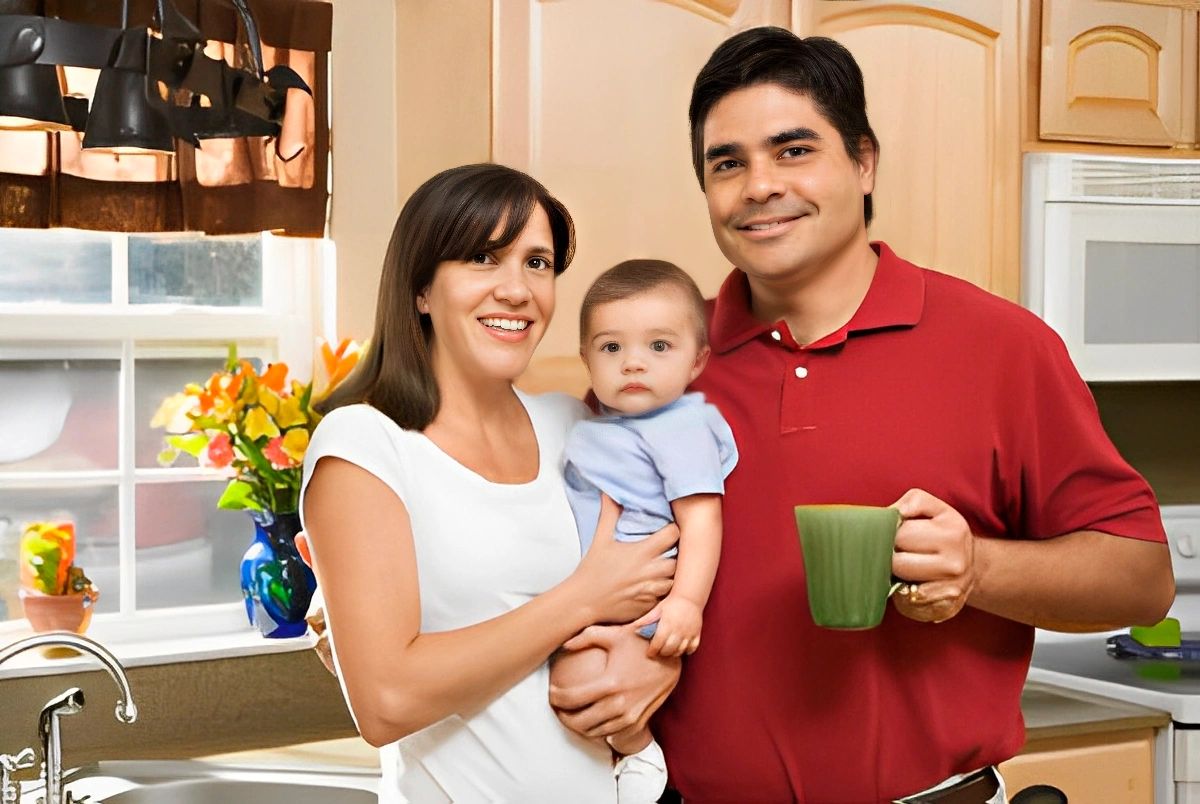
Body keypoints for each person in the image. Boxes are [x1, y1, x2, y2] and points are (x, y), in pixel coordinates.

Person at [548, 27, 1175, 803]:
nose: (759, 186)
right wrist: (636, 654)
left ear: (864, 160)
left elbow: (1142, 579)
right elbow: (567, 552)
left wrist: (978, 567)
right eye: (727, 163)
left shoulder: (1001, 348)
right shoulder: (657, 366)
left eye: (794, 150)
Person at [299, 163, 678, 803]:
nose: (518, 289)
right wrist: (582, 599)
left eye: (538, 263)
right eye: (483, 258)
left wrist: (655, 661)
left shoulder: (573, 425)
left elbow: (657, 573)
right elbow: (387, 701)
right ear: (421, 289)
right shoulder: (364, 444)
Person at [554, 259, 739, 802]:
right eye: (611, 349)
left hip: (639, 600)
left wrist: (686, 604)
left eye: (659, 347)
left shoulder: (682, 425)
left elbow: (703, 518)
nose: (634, 363)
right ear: (586, 358)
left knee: (576, 688)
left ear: (697, 360)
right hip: (587, 592)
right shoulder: (596, 425)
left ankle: (636, 749)